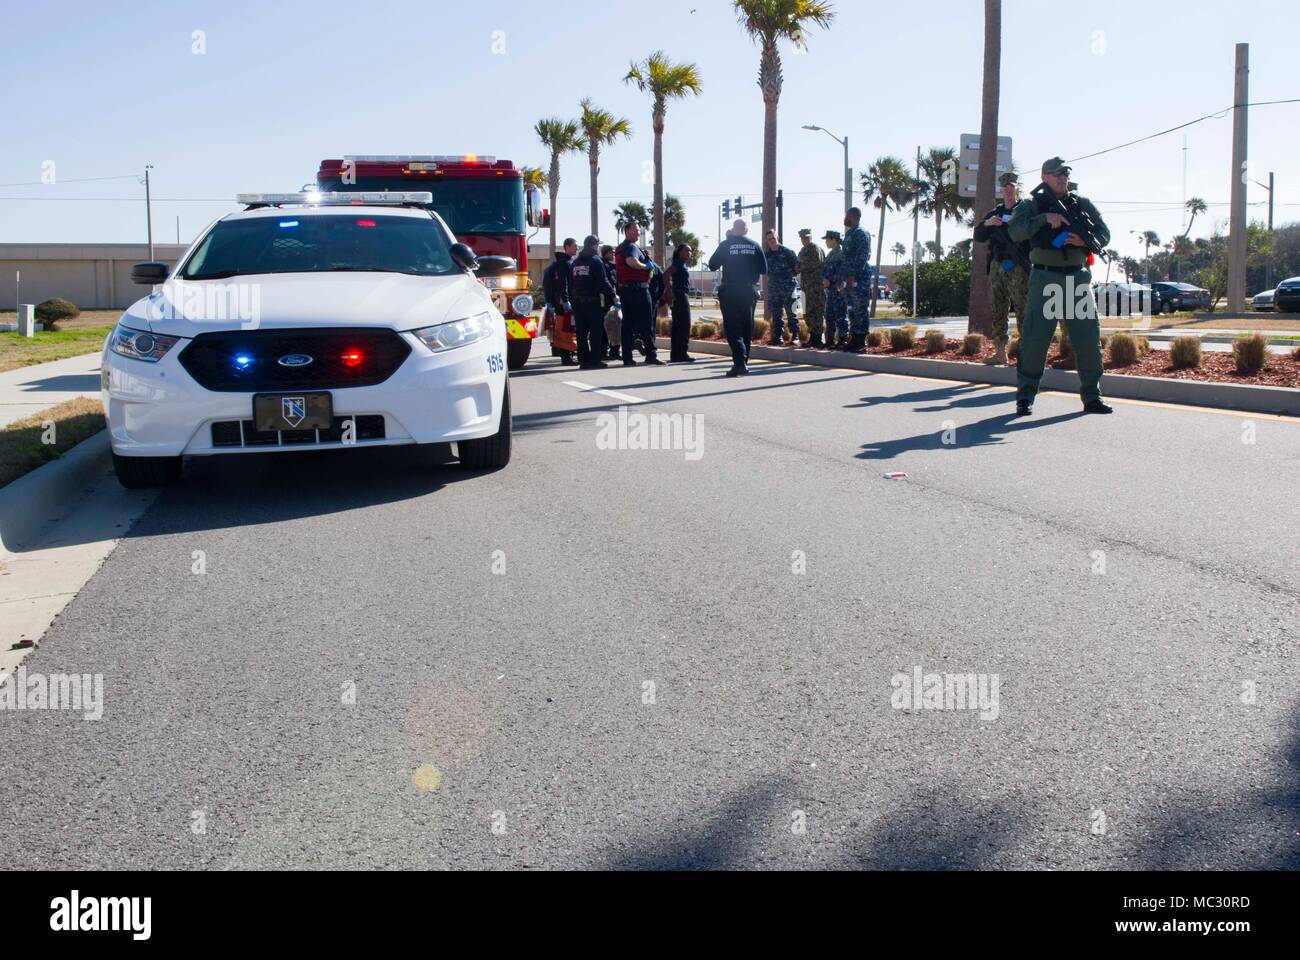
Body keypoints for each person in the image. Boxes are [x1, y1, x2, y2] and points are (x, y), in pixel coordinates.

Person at [1008, 156, 1113, 416]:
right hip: (1045, 278)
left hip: (1076, 278)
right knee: (1035, 340)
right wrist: (1044, 218)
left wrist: (1081, 240)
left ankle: (1092, 396)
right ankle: (1025, 397)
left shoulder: (1082, 204)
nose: (1062, 177)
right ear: (1044, 177)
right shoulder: (1031, 205)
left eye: (1065, 173)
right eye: (1056, 173)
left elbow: (1104, 233)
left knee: (1088, 340)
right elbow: (1016, 232)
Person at [972, 171, 1032, 366]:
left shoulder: (1023, 210)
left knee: (1022, 308)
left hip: (1017, 266)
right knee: (999, 308)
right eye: (1005, 187)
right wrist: (987, 223)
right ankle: (1000, 351)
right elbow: (979, 236)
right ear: (1001, 190)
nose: (1008, 190)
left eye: (1011, 187)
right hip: (997, 266)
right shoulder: (995, 213)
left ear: (1016, 189)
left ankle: (1026, 352)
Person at [706, 219, 767, 377]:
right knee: (747, 328)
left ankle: (739, 363)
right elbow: (764, 269)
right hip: (749, 290)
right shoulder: (755, 245)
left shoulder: (726, 245)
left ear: (733, 230)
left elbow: (712, 264)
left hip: (730, 291)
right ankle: (742, 364)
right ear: (746, 231)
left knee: (733, 328)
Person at [614, 223, 664, 366]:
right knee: (647, 323)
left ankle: (627, 358)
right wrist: (646, 266)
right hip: (638, 289)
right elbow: (631, 261)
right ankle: (651, 354)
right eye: (636, 230)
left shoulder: (622, 247)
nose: (638, 233)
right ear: (627, 231)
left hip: (625, 289)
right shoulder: (631, 246)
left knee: (628, 324)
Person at [569, 235, 618, 370]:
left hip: (577, 303)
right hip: (592, 302)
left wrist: (572, 301)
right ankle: (595, 360)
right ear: (594, 246)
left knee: (581, 333)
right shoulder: (596, 261)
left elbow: (570, 284)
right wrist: (613, 295)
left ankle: (584, 361)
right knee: (595, 332)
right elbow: (603, 281)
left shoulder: (575, 262)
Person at [840, 207, 872, 352]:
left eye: (846, 215)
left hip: (859, 279)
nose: (844, 218)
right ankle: (854, 339)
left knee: (860, 309)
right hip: (848, 279)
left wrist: (852, 275)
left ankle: (861, 342)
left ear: (852, 216)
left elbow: (862, 256)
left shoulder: (860, 233)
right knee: (852, 310)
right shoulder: (850, 233)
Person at [543, 238, 578, 366]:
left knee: (565, 329)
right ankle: (566, 357)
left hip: (558, 302)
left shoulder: (556, 264)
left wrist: (549, 301)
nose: (577, 248)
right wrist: (566, 301)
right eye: (575, 246)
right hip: (564, 303)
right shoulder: (565, 264)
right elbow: (563, 284)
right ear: (567, 247)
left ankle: (567, 355)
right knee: (566, 329)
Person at [762, 230, 800, 346]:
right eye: (769, 239)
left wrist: (787, 280)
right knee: (776, 313)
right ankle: (777, 336)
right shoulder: (766, 255)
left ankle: (795, 336)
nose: (772, 241)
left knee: (791, 313)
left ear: (777, 237)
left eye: (773, 238)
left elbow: (797, 269)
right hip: (774, 288)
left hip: (788, 288)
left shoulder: (787, 252)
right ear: (767, 241)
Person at [665, 243, 696, 363]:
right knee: (684, 325)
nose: (689, 253)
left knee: (678, 325)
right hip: (680, 295)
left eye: (690, 251)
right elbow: (666, 274)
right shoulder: (678, 263)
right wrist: (669, 291)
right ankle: (681, 354)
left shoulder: (681, 263)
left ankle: (676, 354)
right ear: (679, 252)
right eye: (687, 251)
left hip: (680, 294)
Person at [797, 229, 826, 349]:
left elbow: (815, 263)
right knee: (808, 314)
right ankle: (812, 337)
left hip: (816, 287)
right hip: (806, 287)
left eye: (807, 237)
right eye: (803, 238)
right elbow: (797, 265)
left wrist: (801, 267)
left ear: (811, 237)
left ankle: (818, 338)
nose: (805, 240)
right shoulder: (802, 251)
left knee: (817, 313)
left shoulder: (815, 249)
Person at [822, 230, 847, 350]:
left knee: (840, 315)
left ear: (834, 240)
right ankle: (830, 340)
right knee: (829, 315)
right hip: (830, 291)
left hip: (837, 289)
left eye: (827, 239)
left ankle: (842, 340)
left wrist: (830, 280)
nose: (826, 242)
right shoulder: (831, 253)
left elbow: (842, 272)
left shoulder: (840, 253)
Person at [600, 245, 621, 360]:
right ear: (605, 253)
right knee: (604, 327)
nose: (613, 254)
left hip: (615, 301)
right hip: (604, 301)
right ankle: (603, 351)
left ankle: (615, 351)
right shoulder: (601, 265)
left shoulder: (613, 266)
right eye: (611, 252)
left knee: (616, 326)